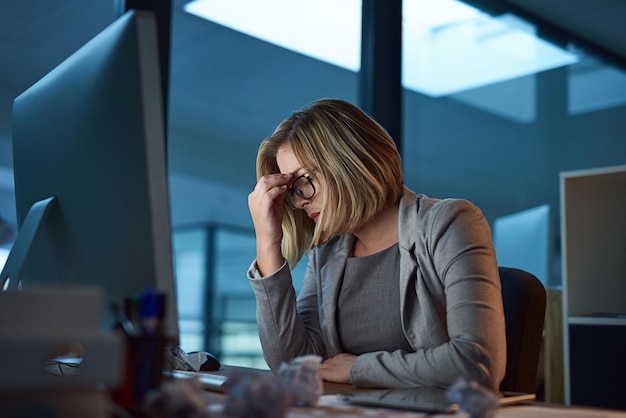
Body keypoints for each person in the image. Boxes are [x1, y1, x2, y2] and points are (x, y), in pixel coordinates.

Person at [247, 98, 506, 390]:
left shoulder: (449, 223)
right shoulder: (326, 255)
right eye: (292, 191)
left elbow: (476, 362)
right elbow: (292, 365)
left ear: (349, 160)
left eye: (303, 181)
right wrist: (268, 243)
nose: (300, 200)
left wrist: (359, 368)